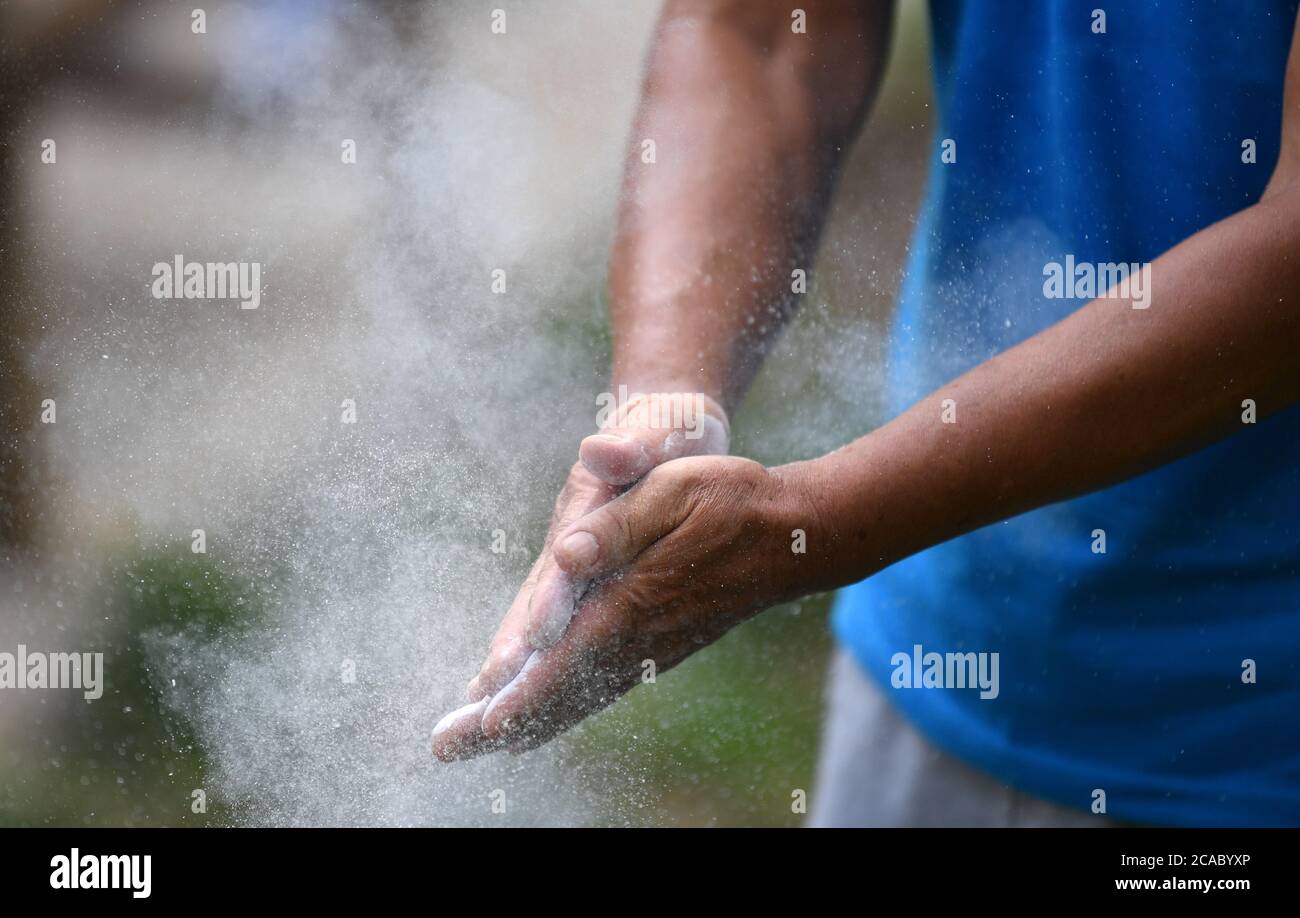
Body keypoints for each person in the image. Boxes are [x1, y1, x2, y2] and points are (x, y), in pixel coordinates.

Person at [433, 0, 1300, 828]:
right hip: (932, 660)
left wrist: (822, 523)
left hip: (1256, 750)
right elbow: (764, 32)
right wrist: (661, 406)